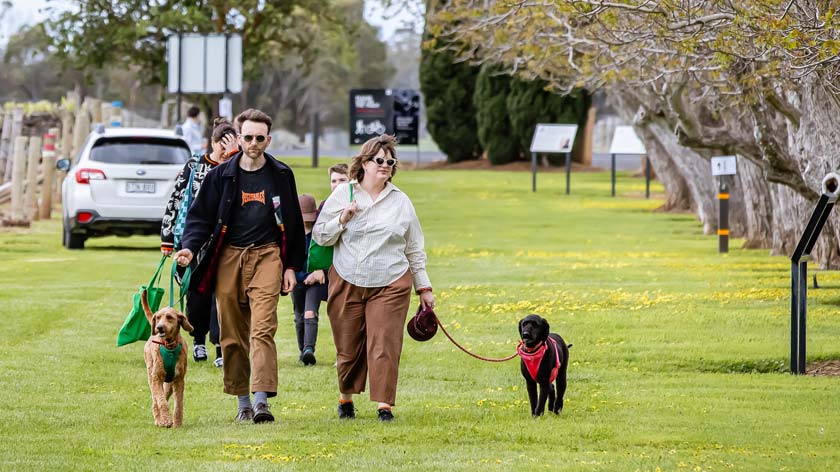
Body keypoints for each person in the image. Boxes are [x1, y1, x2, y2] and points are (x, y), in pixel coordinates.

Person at [173, 108, 306, 424]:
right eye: (248, 137)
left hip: (268, 256)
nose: (254, 143)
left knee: (263, 328)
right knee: (231, 335)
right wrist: (189, 250)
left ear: (269, 139)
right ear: (239, 138)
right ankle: (243, 402)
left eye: (260, 138)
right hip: (229, 257)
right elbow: (200, 218)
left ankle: (262, 402)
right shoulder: (221, 176)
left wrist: (291, 266)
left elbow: (294, 223)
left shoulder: (281, 175)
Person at [313, 134, 434, 422]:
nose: (385, 166)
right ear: (364, 163)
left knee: (384, 343)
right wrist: (342, 219)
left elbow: (414, 248)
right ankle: (346, 397)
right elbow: (320, 235)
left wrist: (424, 287)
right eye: (379, 160)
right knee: (348, 346)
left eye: (390, 162)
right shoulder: (344, 194)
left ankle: (384, 406)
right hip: (347, 277)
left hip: (390, 280)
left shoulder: (401, 201)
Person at [161, 117, 239, 367]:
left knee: (222, 295)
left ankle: (220, 347)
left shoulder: (237, 166)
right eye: (220, 148)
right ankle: (198, 340)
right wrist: (167, 236)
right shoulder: (195, 165)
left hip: (225, 242)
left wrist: (234, 158)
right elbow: (176, 198)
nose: (224, 153)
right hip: (193, 242)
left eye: (229, 148)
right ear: (212, 143)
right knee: (197, 294)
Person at [291, 194, 327, 366]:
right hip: (297, 280)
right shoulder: (292, 234)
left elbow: (325, 256)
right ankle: (301, 351)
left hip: (315, 279)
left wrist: (318, 273)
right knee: (299, 316)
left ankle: (309, 349)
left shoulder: (319, 233)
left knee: (310, 313)